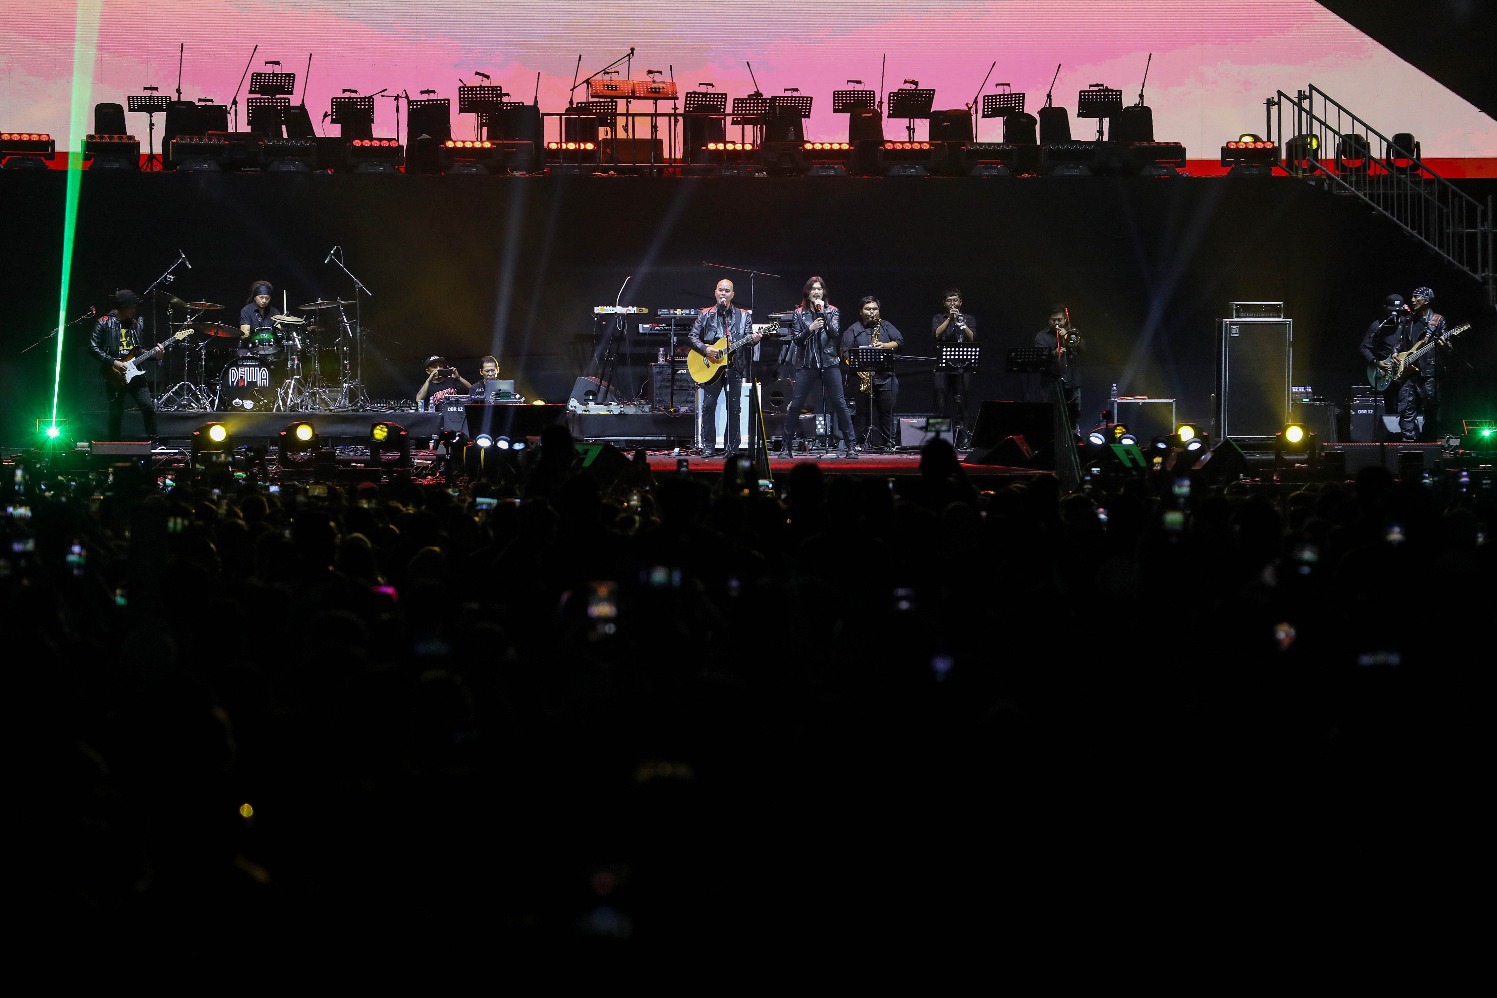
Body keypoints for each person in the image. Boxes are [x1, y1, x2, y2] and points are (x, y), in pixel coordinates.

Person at [1359, 287, 1449, 442]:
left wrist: (1444, 345)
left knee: (1431, 410)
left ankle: (1428, 443)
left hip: (1428, 373)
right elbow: (1400, 343)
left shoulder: (1437, 320)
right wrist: (1394, 353)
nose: (1412, 300)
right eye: (1412, 297)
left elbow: (1448, 347)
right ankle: (1409, 445)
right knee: (1406, 410)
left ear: (1426, 300)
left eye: (1416, 297)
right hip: (1408, 373)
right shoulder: (1408, 320)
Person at [782, 275, 857, 459]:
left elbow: (834, 333)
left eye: (820, 289)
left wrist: (822, 314)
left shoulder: (832, 311)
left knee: (840, 403)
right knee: (796, 404)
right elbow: (797, 340)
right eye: (813, 289)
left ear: (824, 293)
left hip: (829, 362)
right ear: (807, 293)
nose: (816, 292)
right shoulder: (799, 313)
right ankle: (786, 447)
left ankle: (851, 447)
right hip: (807, 364)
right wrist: (811, 328)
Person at [687, 278, 762, 458]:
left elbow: (746, 341)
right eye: (721, 290)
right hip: (711, 368)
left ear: (732, 295)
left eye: (727, 291)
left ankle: (732, 448)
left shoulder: (743, 316)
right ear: (715, 292)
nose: (723, 293)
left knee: (734, 408)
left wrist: (753, 340)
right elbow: (692, 337)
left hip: (735, 366)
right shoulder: (705, 314)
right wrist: (706, 349)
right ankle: (708, 447)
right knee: (708, 407)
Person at [88, 289, 164, 441]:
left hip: (135, 372)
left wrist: (155, 355)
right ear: (122, 306)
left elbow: (139, 349)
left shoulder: (135, 325)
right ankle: (113, 446)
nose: (133, 310)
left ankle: (154, 442)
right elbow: (92, 347)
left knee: (148, 407)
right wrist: (113, 362)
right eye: (131, 307)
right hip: (114, 374)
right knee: (116, 412)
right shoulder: (104, 322)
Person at [844, 295, 904, 452]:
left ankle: (889, 443)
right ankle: (858, 443)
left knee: (887, 412)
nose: (872, 312)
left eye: (875, 309)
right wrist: (859, 371)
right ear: (861, 312)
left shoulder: (885, 326)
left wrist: (883, 345)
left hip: (885, 376)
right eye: (868, 309)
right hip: (861, 376)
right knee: (861, 413)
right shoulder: (853, 329)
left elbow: (899, 342)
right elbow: (844, 353)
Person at [931, 287, 976, 447]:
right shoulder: (938, 317)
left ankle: (963, 437)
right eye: (949, 301)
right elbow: (937, 334)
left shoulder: (968, 318)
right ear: (944, 303)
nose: (952, 303)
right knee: (940, 402)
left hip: (962, 366)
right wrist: (949, 319)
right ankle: (938, 437)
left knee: (962, 402)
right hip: (942, 366)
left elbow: (971, 338)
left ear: (960, 302)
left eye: (955, 300)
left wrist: (961, 324)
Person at [1035, 303, 1086, 434]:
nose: (1057, 323)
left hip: (1072, 380)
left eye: (1059, 320)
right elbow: (1039, 356)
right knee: (1050, 416)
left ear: (1065, 320)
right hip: (1051, 382)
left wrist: (1067, 336)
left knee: (1073, 417)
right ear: (1049, 320)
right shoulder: (1042, 336)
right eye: (1053, 320)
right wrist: (1054, 352)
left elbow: (1082, 349)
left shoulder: (1072, 332)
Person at [237, 279, 288, 358]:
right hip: (250, 348)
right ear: (255, 297)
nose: (264, 301)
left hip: (271, 348)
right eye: (261, 297)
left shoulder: (275, 312)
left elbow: (278, 332)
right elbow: (244, 334)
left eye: (267, 298)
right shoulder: (246, 311)